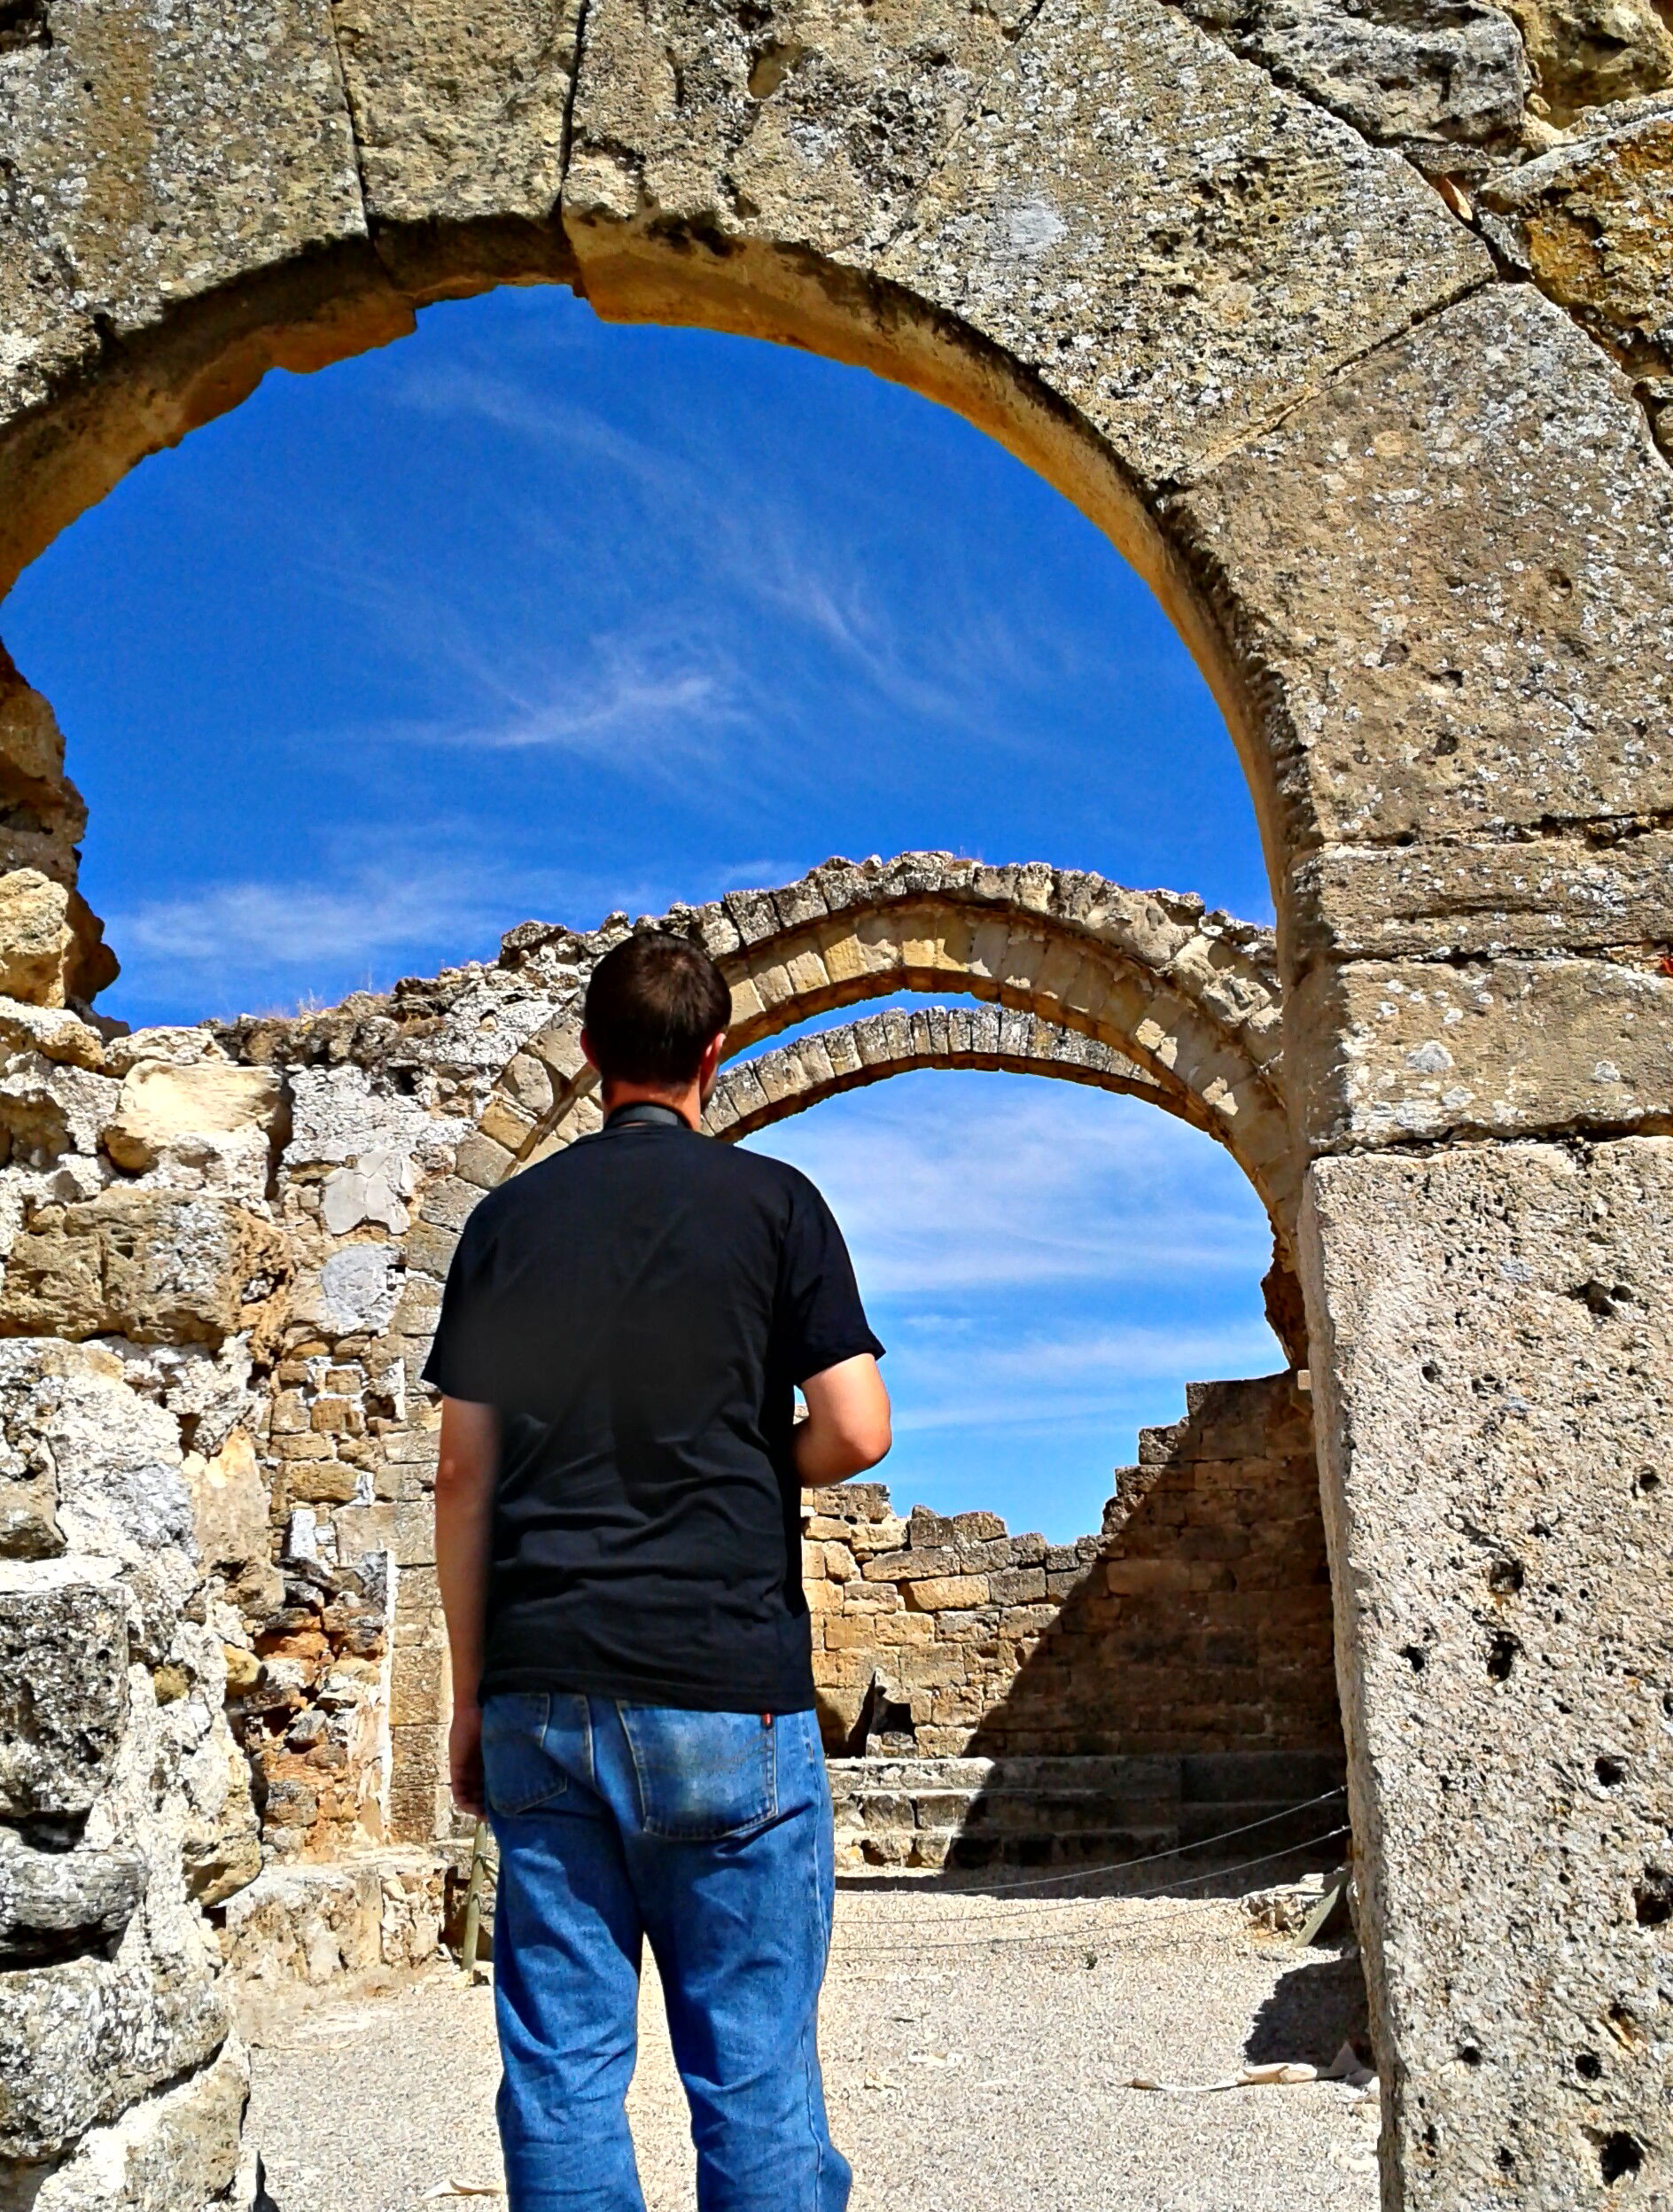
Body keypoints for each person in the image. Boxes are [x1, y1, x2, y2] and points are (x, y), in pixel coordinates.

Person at [425, 928, 891, 2212]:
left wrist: (472, 1698)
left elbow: (463, 1475)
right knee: (753, 2073)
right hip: (721, 1681)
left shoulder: (507, 1222)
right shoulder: (776, 1205)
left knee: (563, 2072)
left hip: (544, 1682)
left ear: (587, 1057)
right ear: (717, 1053)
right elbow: (856, 1429)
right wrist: (755, 1466)